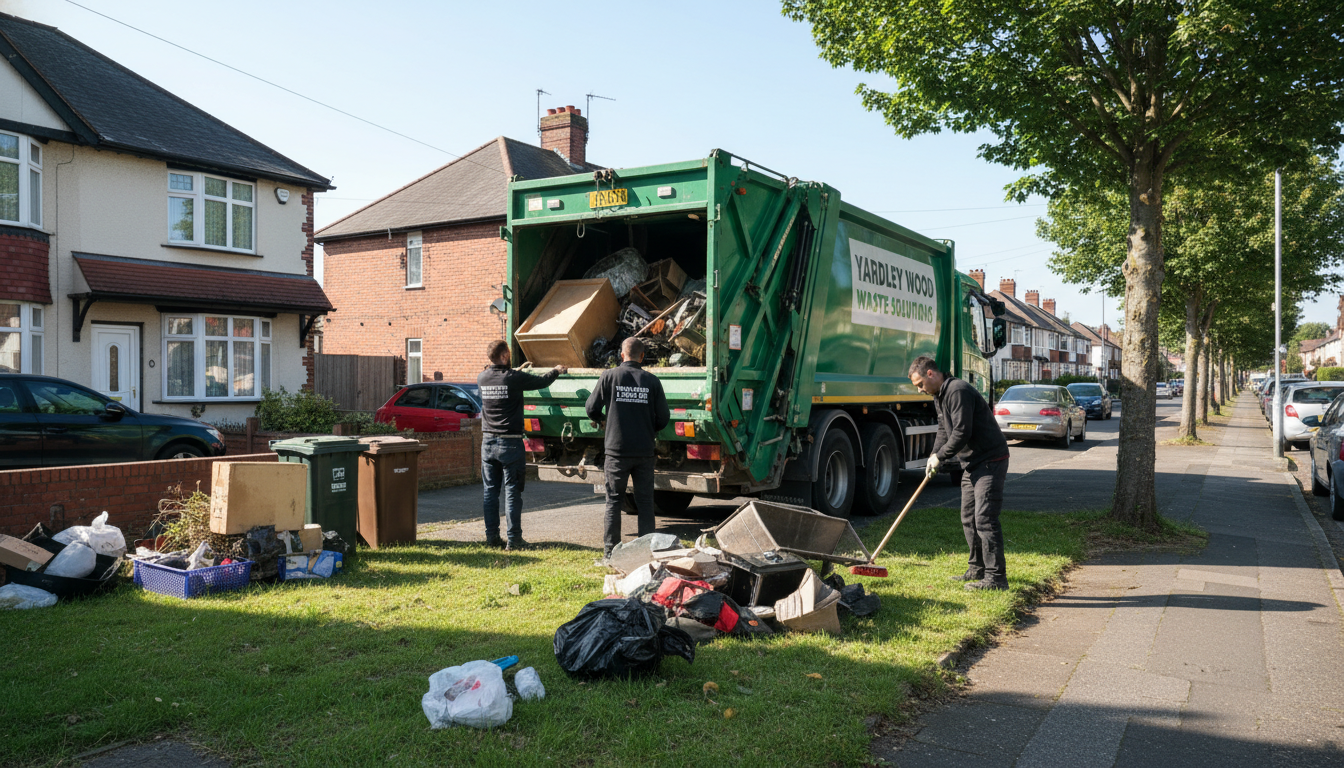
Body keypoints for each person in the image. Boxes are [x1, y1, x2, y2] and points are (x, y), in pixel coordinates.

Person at [909, 355, 1011, 591]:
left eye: (920, 384)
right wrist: (933, 456)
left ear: (930, 374)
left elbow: (962, 431)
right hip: (971, 464)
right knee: (969, 518)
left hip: (990, 460)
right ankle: (977, 568)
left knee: (985, 519)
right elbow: (944, 430)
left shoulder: (958, 390)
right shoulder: (939, 395)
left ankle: (996, 578)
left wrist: (941, 456)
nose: (920, 390)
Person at [477, 339, 566, 551]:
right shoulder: (513, 378)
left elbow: (501, 381)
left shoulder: (482, 377)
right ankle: (514, 539)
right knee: (512, 492)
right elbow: (542, 382)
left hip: (487, 442)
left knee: (490, 492)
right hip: (509, 443)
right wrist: (556, 370)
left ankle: (492, 538)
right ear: (504, 356)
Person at [585, 337, 670, 558]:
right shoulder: (652, 381)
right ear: (642, 357)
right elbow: (664, 418)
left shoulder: (609, 376)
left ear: (622, 355)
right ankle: (645, 552)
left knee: (613, 501)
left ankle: (610, 552)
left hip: (616, 451)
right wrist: (649, 428)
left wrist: (604, 420)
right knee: (645, 503)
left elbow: (591, 408)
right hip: (644, 451)